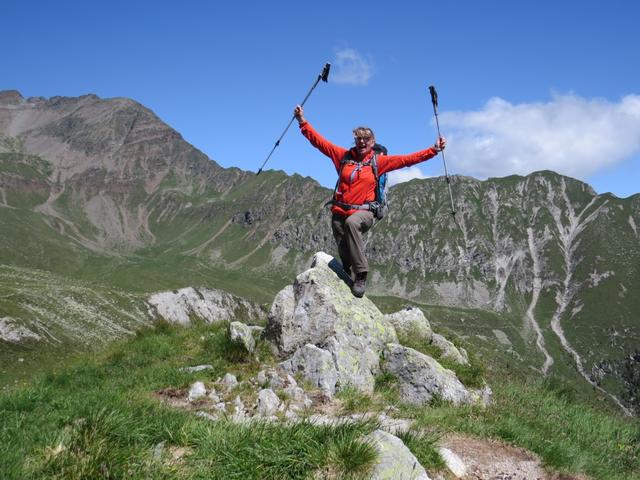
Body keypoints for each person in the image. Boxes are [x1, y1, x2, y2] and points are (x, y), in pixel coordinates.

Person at [294, 104, 446, 298]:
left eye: (366, 139)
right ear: (355, 140)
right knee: (343, 246)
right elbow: (319, 142)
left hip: (364, 212)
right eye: (359, 138)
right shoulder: (343, 157)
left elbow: (407, 160)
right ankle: (348, 271)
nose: (362, 142)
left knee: (352, 223)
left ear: (373, 142)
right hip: (340, 211)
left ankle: (361, 274)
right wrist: (302, 121)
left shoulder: (378, 161)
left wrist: (433, 150)